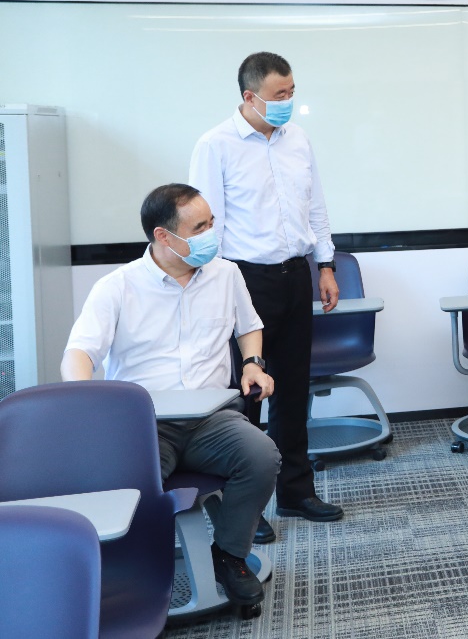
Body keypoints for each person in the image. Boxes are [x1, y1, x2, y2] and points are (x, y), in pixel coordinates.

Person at [61, 184, 281, 607]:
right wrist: (86, 404)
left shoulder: (226, 274)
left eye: (211, 223)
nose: (211, 234)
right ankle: (132, 575)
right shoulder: (117, 286)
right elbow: (79, 353)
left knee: (261, 456)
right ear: (163, 236)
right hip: (145, 425)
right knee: (132, 488)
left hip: (213, 418)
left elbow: (249, 325)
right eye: (199, 228)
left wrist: (253, 363)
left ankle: (229, 555)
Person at [190, 51, 343, 540]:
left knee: (293, 389)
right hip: (243, 279)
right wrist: (214, 290)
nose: (288, 102)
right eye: (280, 94)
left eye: (292, 92)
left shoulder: (298, 139)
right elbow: (205, 226)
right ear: (250, 96)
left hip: (295, 274)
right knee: (246, 395)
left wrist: (325, 265)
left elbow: (316, 206)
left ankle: (295, 491)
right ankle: (245, 507)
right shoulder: (215, 145)